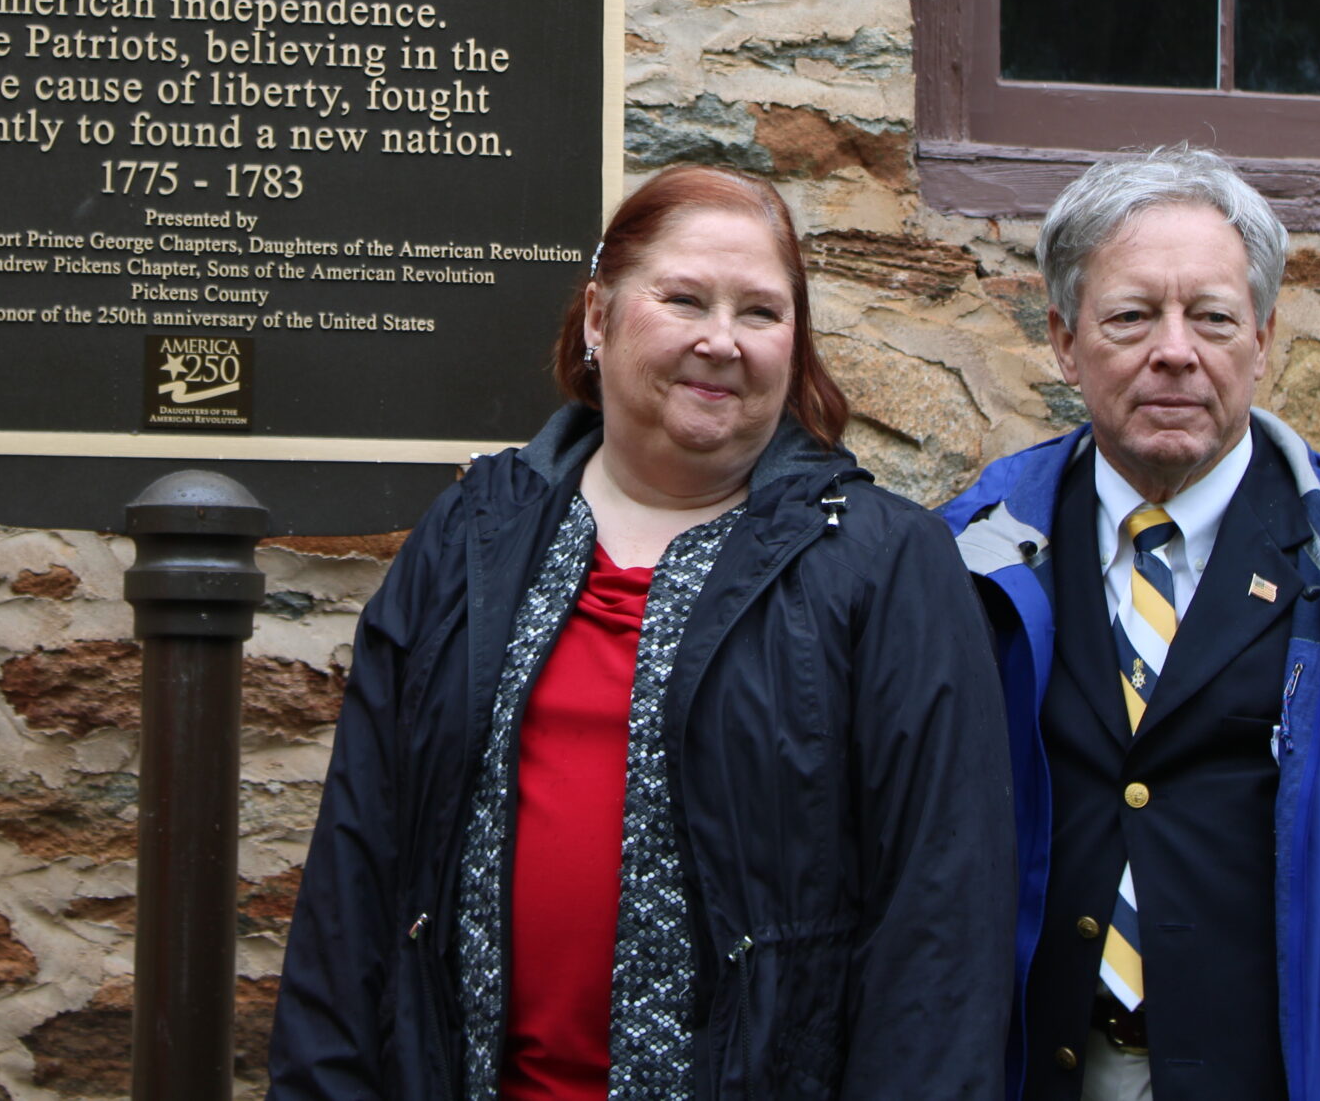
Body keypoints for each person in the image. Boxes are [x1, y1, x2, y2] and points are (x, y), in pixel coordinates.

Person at [269, 164, 1013, 1101]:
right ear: (597, 315)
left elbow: (939, 928)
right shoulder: (472, 537)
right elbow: (357, 875)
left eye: (761, 312)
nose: (721, 340)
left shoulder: (885, 566)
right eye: (685, 298)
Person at [940, 146, 1320, 1101]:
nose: (1174, 350)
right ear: (1063, 338)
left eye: (1212, 317)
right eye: (1132, 315)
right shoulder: (973, 560)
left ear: (1263, 338)